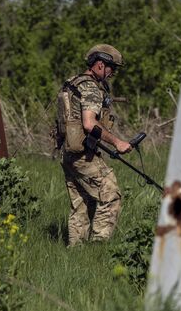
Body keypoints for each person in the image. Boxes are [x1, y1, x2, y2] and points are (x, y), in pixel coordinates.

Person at [56, 44, 132, 246]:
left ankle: (77, 252)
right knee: (110, 193)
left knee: (80, 204)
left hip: (68, 153)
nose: (112, 73)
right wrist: (118, 142)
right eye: (111, 68)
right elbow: (89, 123)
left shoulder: (73, 82)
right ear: (100, 65)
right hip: (82, 156)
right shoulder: (90, 87)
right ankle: (98, 246)